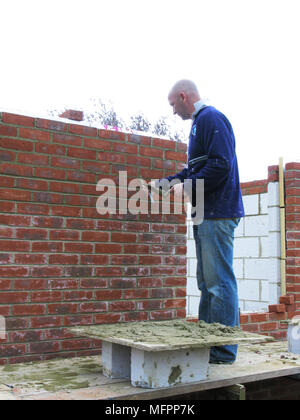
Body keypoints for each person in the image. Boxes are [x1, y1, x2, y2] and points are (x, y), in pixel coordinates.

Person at [149, 80, 245, 364]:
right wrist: (165, 184)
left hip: (218, 212)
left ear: (182, 96)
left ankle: (223, 350)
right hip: (205, 212)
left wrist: (188, 187)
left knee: (219, 283)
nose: (173, 112)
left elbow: (221, 164)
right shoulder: (199, 125)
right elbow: (197, 168)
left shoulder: (210, 118)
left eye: (172, 105)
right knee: (206, 283)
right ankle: (207, 344)